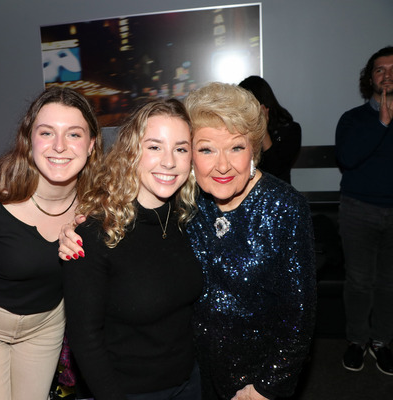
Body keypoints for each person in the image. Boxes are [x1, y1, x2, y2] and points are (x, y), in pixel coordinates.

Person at [60, 83, 316, 400]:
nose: (222, 165)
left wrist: (268, 385)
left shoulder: (279, 207)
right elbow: (86, 331)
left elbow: (299, 315)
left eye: (236, 147)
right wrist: (73, 226)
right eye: (206, 149)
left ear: (253, 148)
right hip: (191, 376)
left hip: (251, 381)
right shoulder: (190, 205)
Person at [0, 87, 103, 400]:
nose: (60, 146)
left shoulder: (96, 208)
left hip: (44, 329)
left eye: (74, 134)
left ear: (91, 145)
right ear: (29, 140)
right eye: (47, 132)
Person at [61, 98, 203, 400]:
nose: (169, 161)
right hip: (128, 392)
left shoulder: (188, 218)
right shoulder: (95, 232)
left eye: (180, 148)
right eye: (154, 147)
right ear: (131, 152)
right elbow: (85, 339)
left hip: (189, 383)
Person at [335, 45, 393, 375]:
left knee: (389, 284)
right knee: (359, 282)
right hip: (358, 210)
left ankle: (382, 342)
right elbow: (347, 158)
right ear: (369, 78)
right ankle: (357, 340)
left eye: (392, 68)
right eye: (379, 69)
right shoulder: (353, 119)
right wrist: (381, 124)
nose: (387, 74)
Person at [238, 75, 301, 184]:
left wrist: (263, 128)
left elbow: (275, 169)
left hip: (277, 194)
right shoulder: (242, 130)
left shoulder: (290, 130)